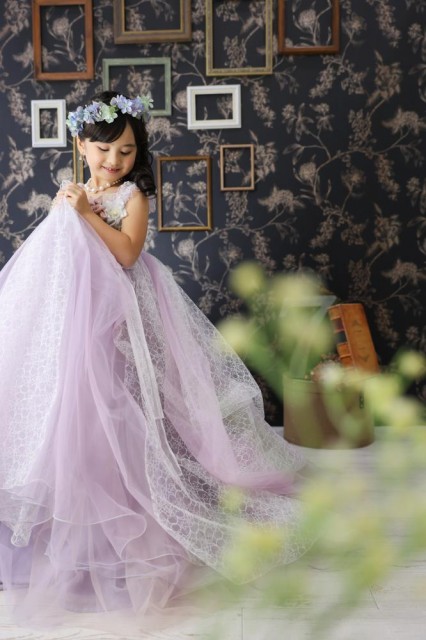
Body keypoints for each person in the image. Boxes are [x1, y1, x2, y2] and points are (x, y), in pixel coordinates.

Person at [0, 91, 310, 626]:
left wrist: (84, 213)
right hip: (73, 318)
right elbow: (55, 253)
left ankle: (131, 539)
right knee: (67, 421)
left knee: (118, 418)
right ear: (82, 145)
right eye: (104, 149)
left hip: (118, 320)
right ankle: (65, 547)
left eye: (126, 151)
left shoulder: (132, 196)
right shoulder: (71, 191)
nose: (114, 160)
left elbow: (126, 254)